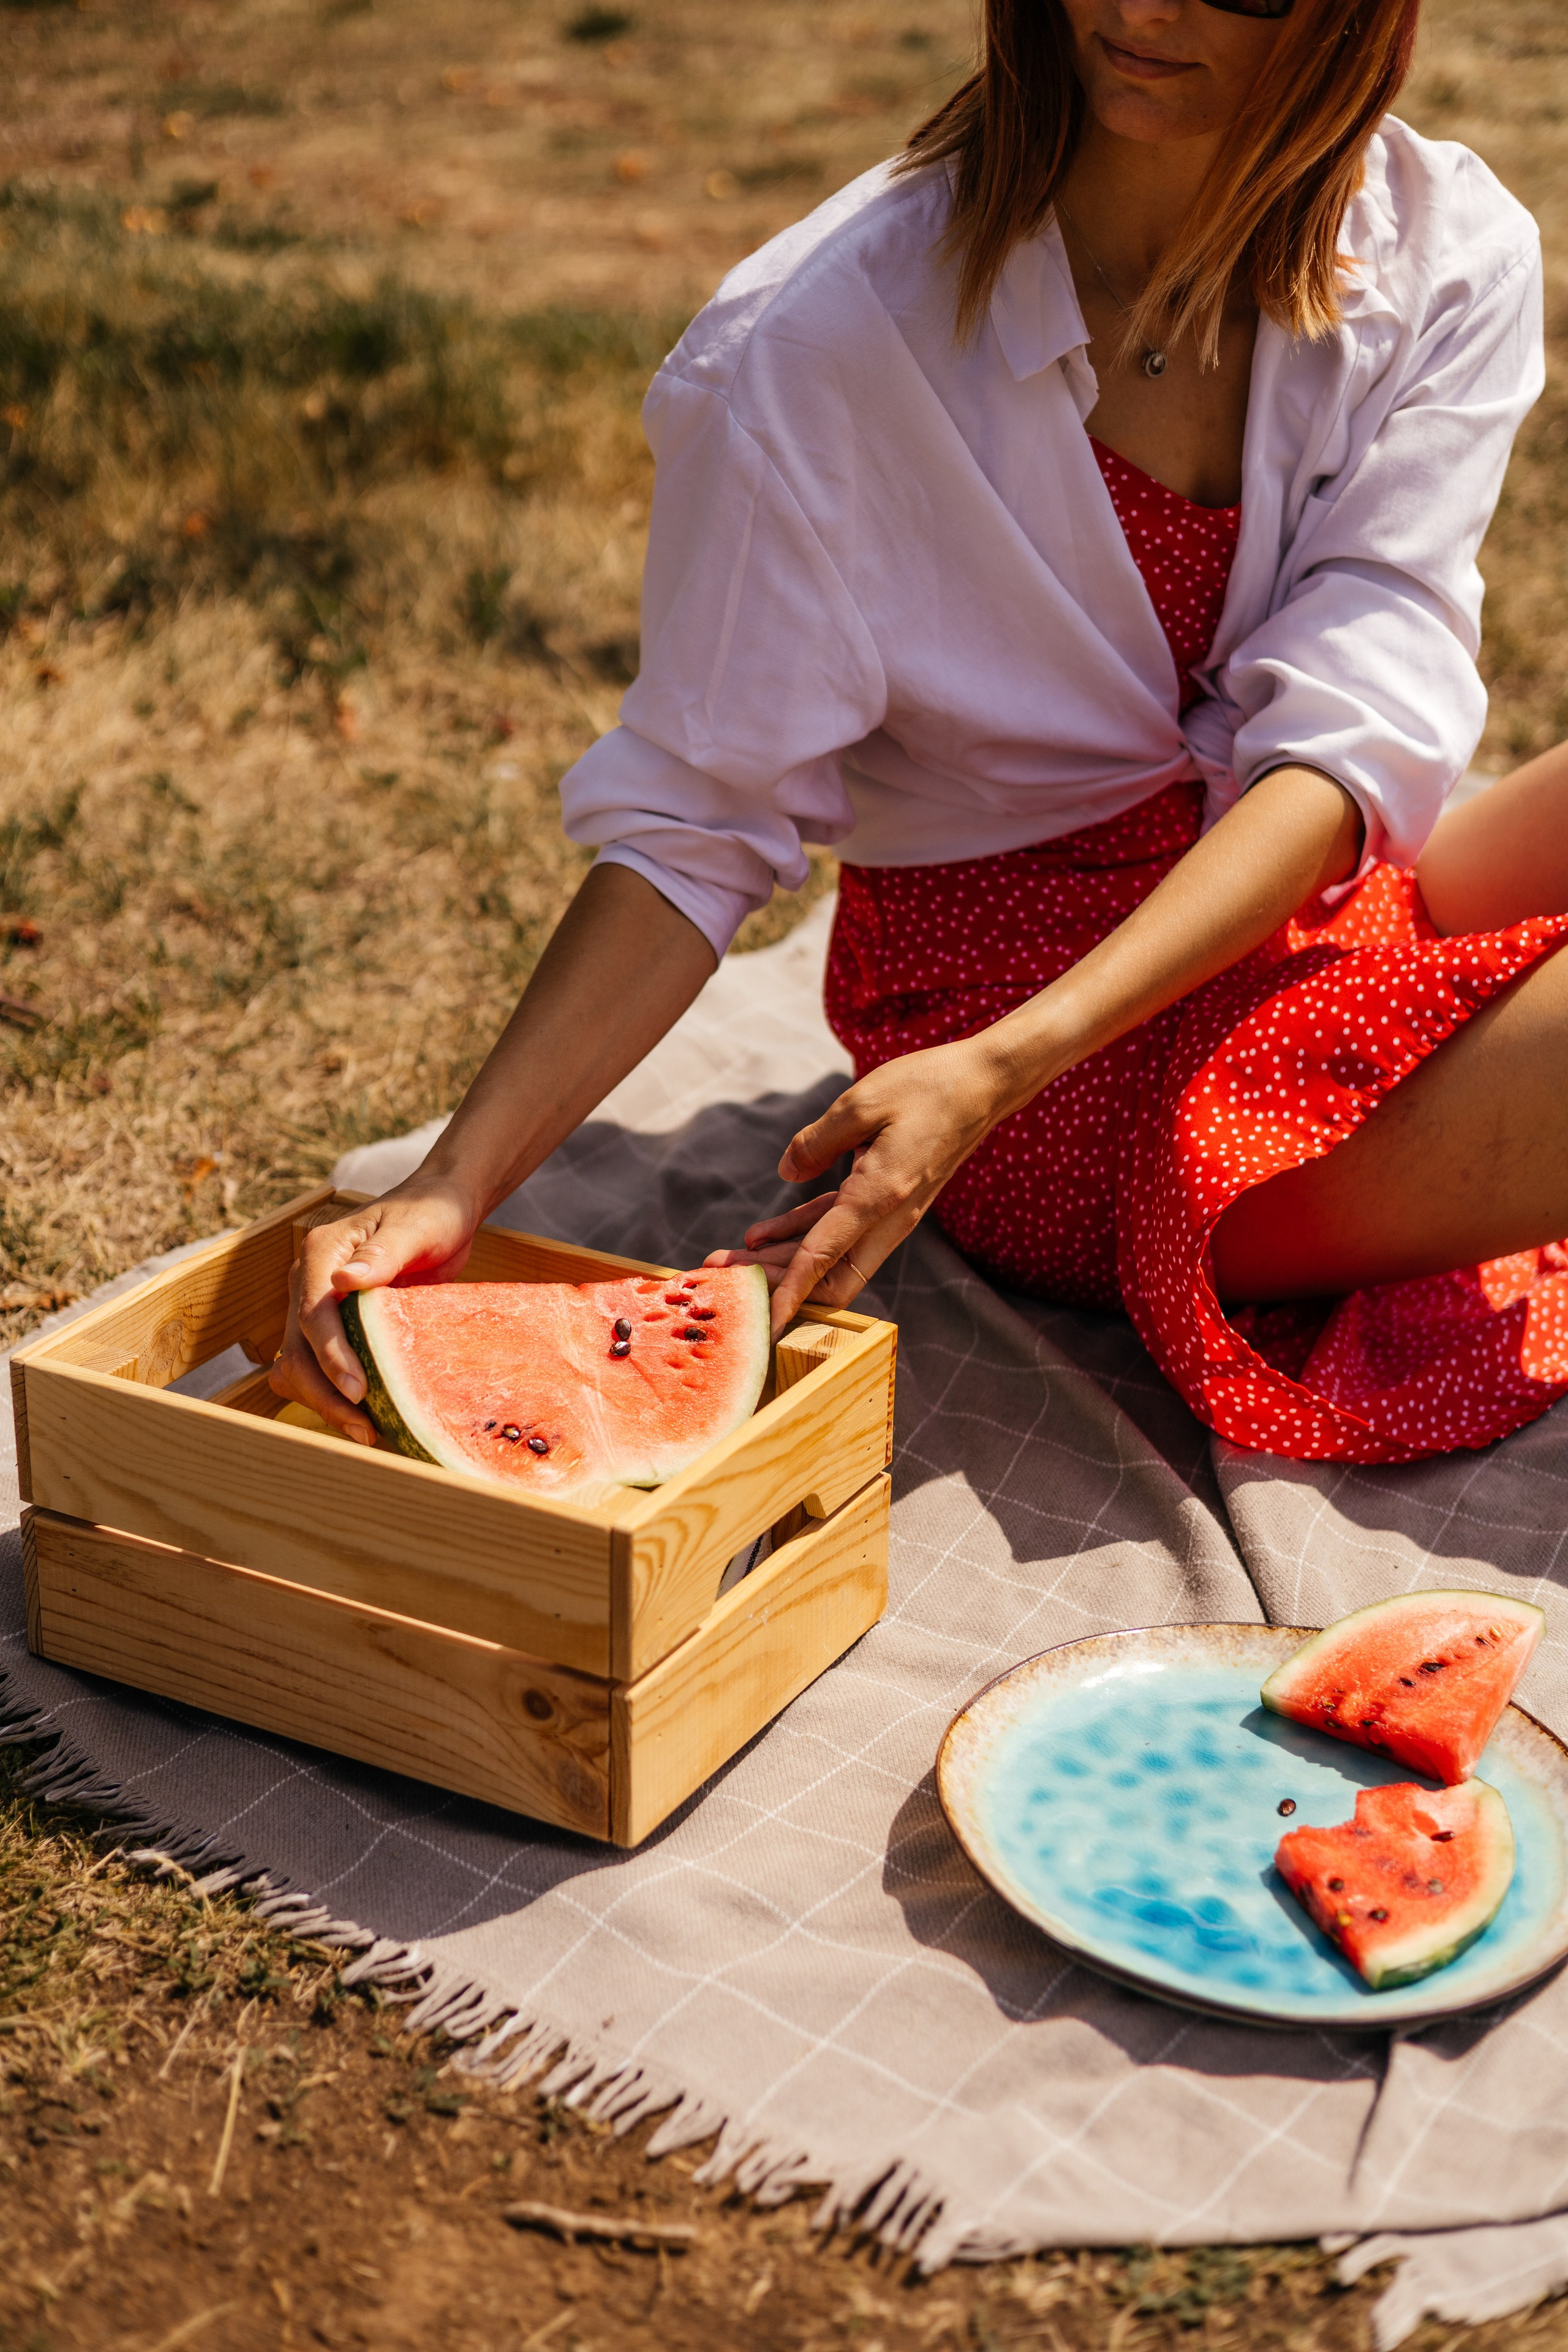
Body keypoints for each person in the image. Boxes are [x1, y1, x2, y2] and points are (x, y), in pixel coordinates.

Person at [274, 0, 1568, 1466]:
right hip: (1015, 1062)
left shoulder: (1442, 248)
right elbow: (698, 824)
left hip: (1282, 891)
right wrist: (452, 1182)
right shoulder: (815, 340)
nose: (1143, 4)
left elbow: (1349, 728)